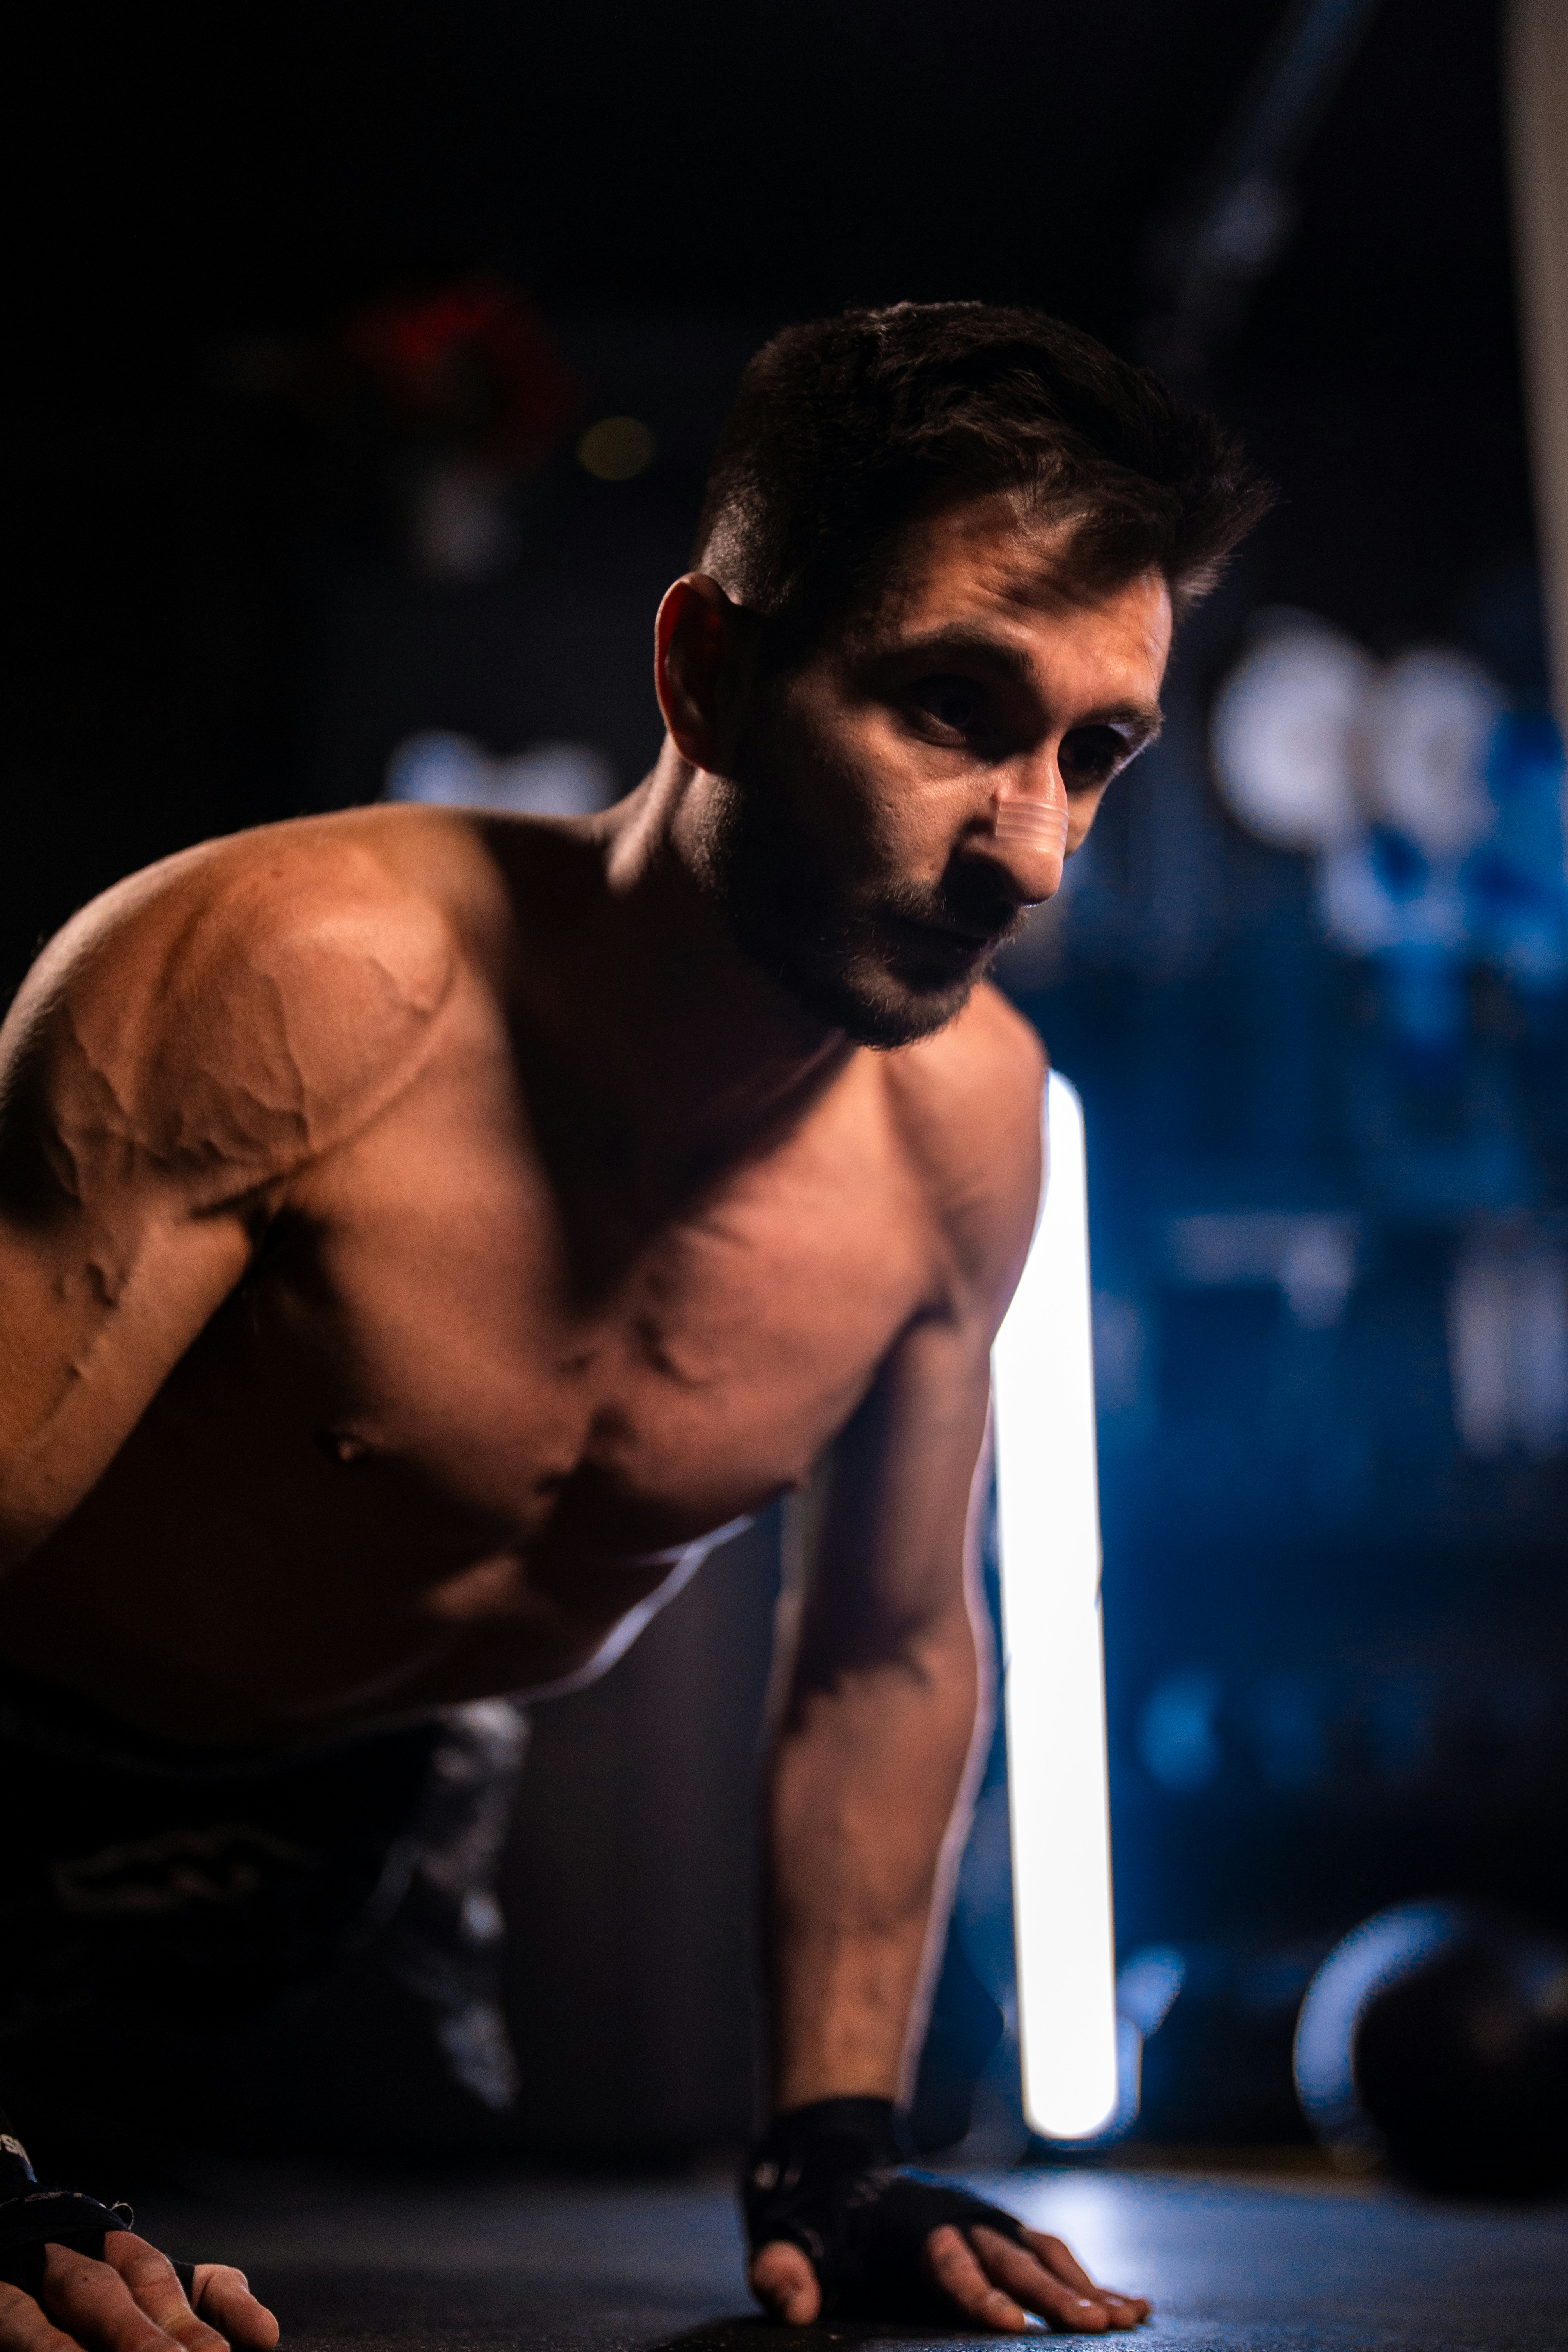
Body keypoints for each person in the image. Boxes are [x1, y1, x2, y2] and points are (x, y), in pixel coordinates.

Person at [0, 301, 1269, 2349]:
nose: (1032, 849)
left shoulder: (970, 1135)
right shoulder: (281, 992)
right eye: (950, 711)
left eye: (1093, 751)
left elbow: (884, 1653)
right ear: (707, 671)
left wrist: (835, 2147)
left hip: (359, 1846)